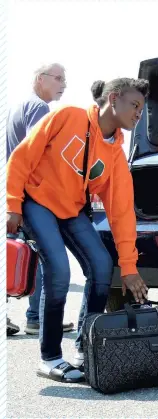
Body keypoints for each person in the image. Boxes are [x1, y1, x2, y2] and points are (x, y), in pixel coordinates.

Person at [6, 77, 150, 383]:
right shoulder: (67, 116)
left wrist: (129, 266)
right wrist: (13, 205)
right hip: (37, 201)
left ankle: (85, 348)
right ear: (113, 98)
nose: (138, 113)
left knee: (101, 265)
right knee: (58, 271)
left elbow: (122, 213)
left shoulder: (116, 157)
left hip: (71, 210)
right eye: (134, 105)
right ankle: (50, 358)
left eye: (142, 108)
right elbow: (22, 156)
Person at [6, 62, 74, 336]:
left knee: (18, 254)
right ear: (40, 79)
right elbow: (40, 155)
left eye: (64, 80)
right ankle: (38, 318)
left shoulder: (20, 105)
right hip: (31, 196)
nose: (63, 85)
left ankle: (25, 317)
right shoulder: (38, 108)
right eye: (58, 78)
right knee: (45, 255)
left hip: (16, 193)